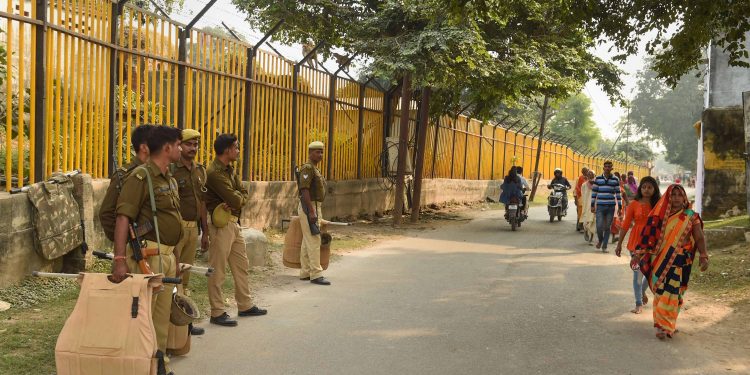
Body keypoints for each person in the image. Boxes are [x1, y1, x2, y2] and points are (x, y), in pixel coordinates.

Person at [111, 125, 183, 374]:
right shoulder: (141, 177)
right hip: (147, 256)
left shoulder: (169, 179)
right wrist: (120, 259)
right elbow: (122, 217)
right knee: (142, 319)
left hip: (166, 255)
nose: (181, 149)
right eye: (178, 144)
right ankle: (137, 367)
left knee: (160, 319)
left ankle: (157, 365)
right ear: (167, 147)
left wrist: (174, 255)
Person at [205, 134, 267, 327]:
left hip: (234, 223)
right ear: (227, 150)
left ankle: (245, 305)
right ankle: (217, 311)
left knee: (241, 265)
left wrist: (238, 198)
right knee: (218, 270)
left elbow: (243, 193)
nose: (239, 151)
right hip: (220, 225)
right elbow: (235, 199)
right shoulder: (214, 172)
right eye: (236, 147)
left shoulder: (229, 170)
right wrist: (238, 198)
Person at [633, 184, 709, 340]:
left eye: (679, 195)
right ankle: (663, 325)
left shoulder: (691, 216)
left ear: (684, 197)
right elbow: (648, 237)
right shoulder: (659, 216)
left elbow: (699, 237)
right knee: (662, 292)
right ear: (668, 197)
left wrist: (703, 255)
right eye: (673, 195)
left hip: (679, 261)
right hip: (659, 260)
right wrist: (638, 255)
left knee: (674, 293)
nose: (676, 198)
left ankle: (666, 324)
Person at [171, 128, 208, 336]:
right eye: (189, 144)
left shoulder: (200, 170)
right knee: (174, 273)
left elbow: (203, 202)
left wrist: (206, 232)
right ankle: (173, 321)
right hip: (176, 228)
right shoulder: (172, 170)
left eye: (196, 145)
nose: (193, 148)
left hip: (193, 228)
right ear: (180, 146)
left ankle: (185, 320)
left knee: (185, 276)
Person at [615, 176, 661, 314]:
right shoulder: (633, 204)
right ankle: (638, 303)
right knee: (638, 273)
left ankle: (641, 291)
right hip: (636, 243)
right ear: (640, 188)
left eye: (650, 187)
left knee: (650, 273)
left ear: (654, 189)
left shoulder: (659, 205)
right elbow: (625, 225)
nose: (646, 190)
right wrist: (619, 244)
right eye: (644, 187)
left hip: (653, 243)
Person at [100, 124, 154, 242]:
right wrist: (123, 240)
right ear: (144, 147)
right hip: (133, 245)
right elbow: (106, 213)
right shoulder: (124, 174)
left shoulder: (156, 173)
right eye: (155, 142)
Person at [297, 141, 331, 285]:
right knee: (314, 239)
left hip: (315, 206)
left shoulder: (314, 168)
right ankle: (316, 274)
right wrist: (311, 211)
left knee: (307, 240)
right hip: (309, 206)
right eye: (317, 152)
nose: (320, 155)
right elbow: (304, 190)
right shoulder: (308, 168)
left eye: (322, 152)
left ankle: (305, 272)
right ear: (310, 152)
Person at [591, 161, 622, 253]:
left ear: (612, 168)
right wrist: (592, 205)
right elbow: (594, 193)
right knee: (599, 226)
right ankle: (600, 240)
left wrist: (620, 207)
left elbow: (618, 194)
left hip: (611, 207)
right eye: (606, 167)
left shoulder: (615, 179)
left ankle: (604, 246)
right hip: (600, 206)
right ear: (603, 168)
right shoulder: (598, 179)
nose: (607, 168)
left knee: (607, 227)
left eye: (609, 167)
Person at [581, 170, 596, 243]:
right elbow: (583, 195)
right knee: (586, 222)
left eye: (592, 174)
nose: (590, 175)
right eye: (589, 174)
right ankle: (586, 231)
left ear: (594, 175)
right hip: (587, 206)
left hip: (595, 206)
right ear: (587, 175)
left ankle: (591, 239)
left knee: (593, 221)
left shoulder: (597, 184)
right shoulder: (584, 185)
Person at [575, 167, 589, 232]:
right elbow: (577, 188)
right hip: (581, 197)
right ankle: (580, 225)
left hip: (588, 198)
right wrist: (576, 198)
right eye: (585, 171)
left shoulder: (590, 178)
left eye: (587, 171)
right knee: (580, 212)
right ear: (582, 172)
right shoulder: (580, 178)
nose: (586, 172)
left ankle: (587, 226)